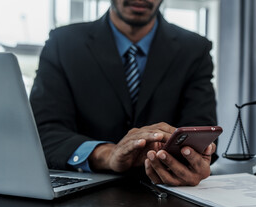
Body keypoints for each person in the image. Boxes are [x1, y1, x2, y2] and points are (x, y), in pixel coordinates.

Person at [29, 0, 217, 186]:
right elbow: (42, 131)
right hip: (84, 195)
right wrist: (106, 154)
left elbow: (201, 131)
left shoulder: (195, 50)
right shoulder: (63, 43)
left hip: (167, 192)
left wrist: (195, 159)